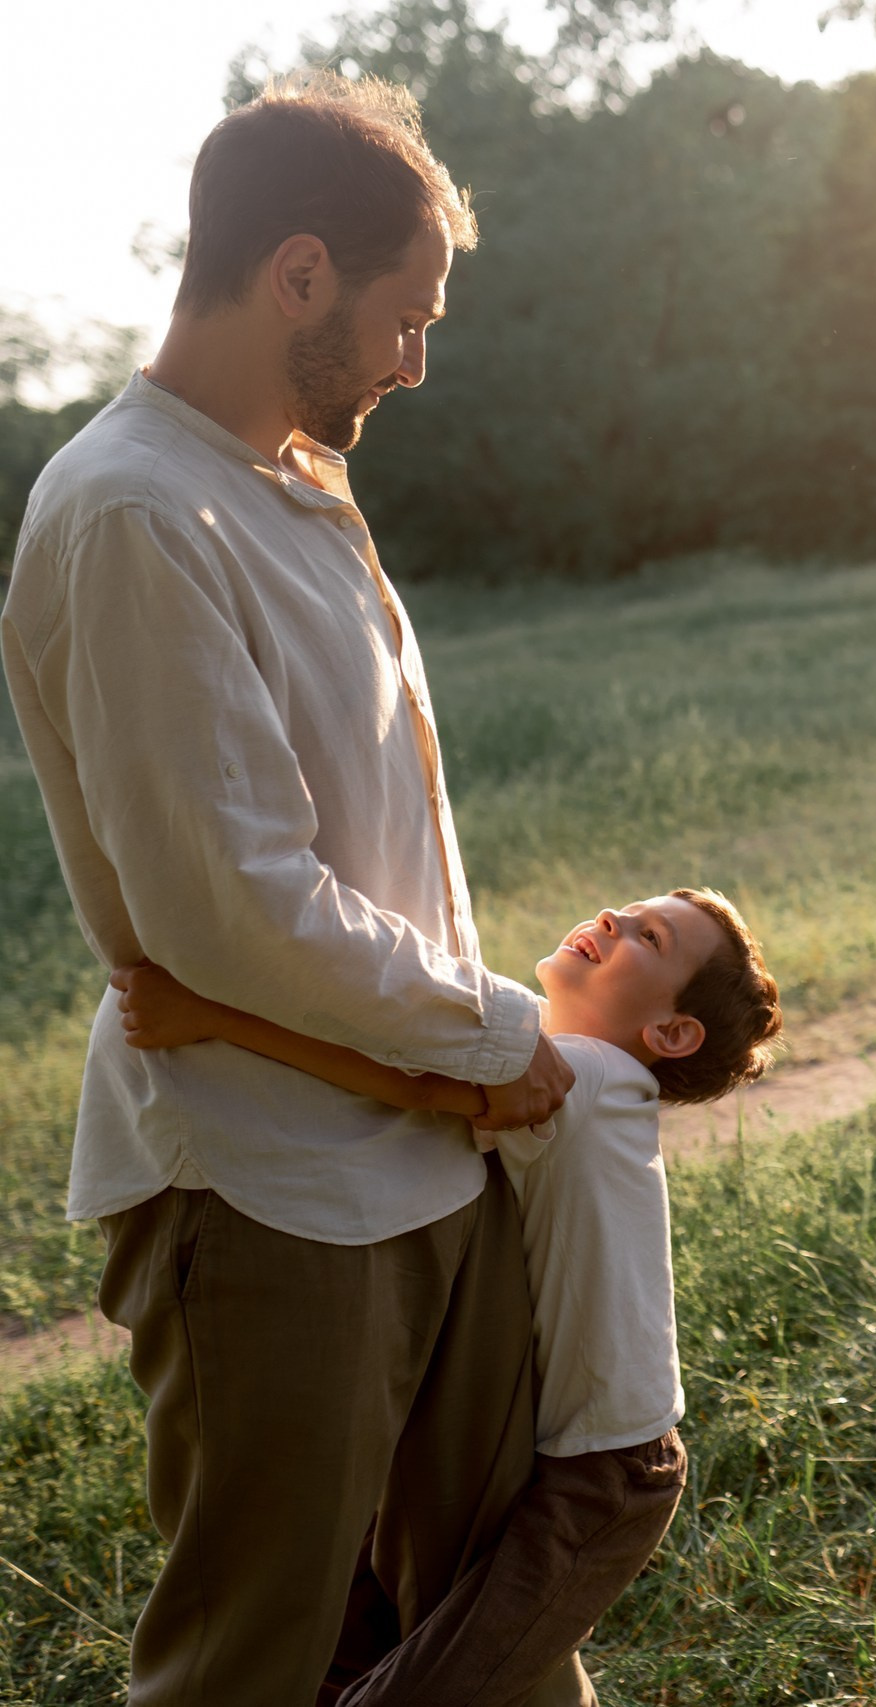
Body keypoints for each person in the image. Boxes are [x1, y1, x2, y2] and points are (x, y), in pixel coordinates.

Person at [0, 73, 580, 1702]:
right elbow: (235, 909)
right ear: (302, 275)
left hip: (421, 1150)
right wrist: (498, 1028)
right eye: (407, 316)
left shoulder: (294, 482)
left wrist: (465, 1069)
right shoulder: (130, 512)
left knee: (493, 1636)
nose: (418, 358)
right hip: (267, 1197)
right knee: (256, 1662)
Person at [116, 887, 783, 1702]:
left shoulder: (599, 1077)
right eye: (626, 907)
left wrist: (214, 1015)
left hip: (605, 1480)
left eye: (650, 936)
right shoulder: (557, 1055)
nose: (612, 917)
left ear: (671, 1033)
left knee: (436, 1684)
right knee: (371, 1643)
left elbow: (414, 1075)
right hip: (547, 1457)